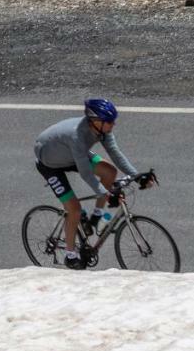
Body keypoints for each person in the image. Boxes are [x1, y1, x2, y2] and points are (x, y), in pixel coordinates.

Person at [33, 98, 155, 269]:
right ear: (96, 122)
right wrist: (106, 193)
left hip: (71, 155)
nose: (113, 125)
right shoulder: (77, 136)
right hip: (49, 163)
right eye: (110, 122)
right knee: (74, 209)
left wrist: (136, 175)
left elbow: (115, 153)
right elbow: (86, 174)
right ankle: (70, 255)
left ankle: (96, 217)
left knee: (110, 172)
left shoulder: (102, 131)